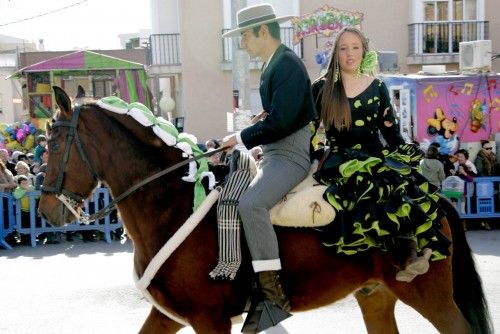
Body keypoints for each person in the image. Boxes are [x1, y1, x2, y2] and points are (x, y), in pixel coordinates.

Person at [311, 27, 449, 283]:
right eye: (343, 48)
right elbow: (310, 130)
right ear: (335, 53)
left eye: (355, 47)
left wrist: (409, 157)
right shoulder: (321, 88)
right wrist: (310, 158)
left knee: (399, 190)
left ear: (364, 51)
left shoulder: (377, 86)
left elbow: (391, 132)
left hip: (376, 155)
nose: (349, 53)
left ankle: (409, 257)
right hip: (341, 161)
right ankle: (359, 269)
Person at [221, 4, 316, 331]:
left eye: (245, 35)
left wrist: (240, 137)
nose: (242, 42)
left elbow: (284, 121)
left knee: (251, 203)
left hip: (290, 156)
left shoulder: (287, 64)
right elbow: (276, 118)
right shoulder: (274, 64)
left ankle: (273, 295)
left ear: (262, 30)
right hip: (275, 151)